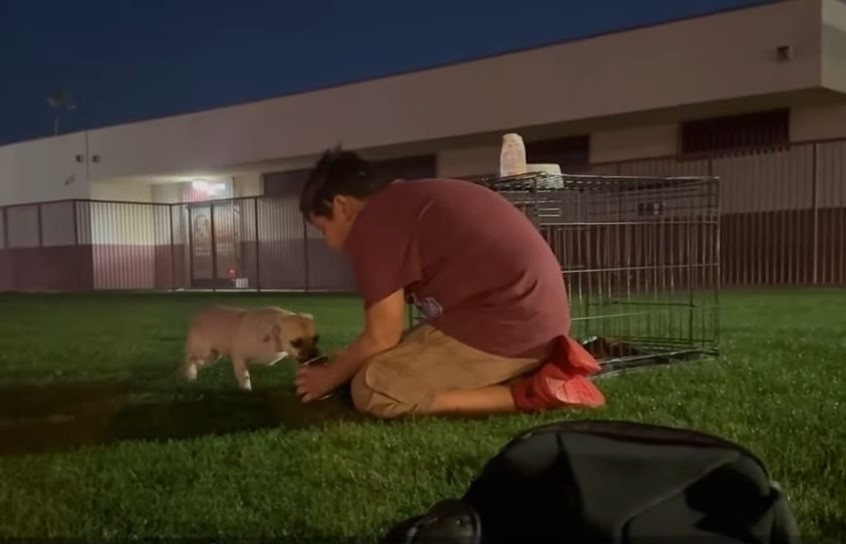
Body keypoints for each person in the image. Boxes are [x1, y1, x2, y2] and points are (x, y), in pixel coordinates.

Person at [294, 146, 606, 418]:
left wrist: (328, 378)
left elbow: (381, 337)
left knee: (374, 386)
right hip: (521, 320)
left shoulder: (376, 224)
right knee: (373, 365)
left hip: (510, 328)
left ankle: (534, 392)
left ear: (341, 206)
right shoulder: (401, 204)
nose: (332, 245)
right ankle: (536, 369)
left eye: (324, 230)